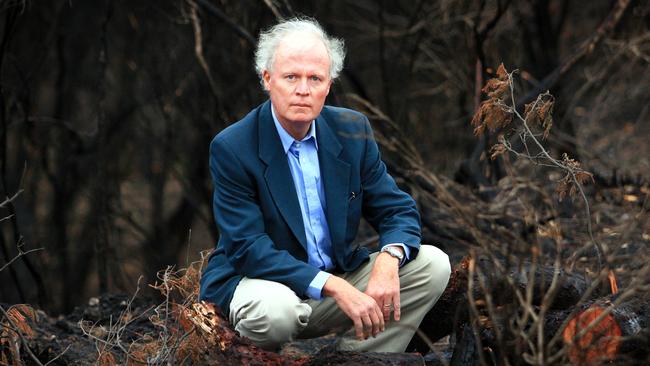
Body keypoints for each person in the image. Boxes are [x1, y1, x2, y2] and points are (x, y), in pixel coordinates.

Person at [199, 17, 450, 353]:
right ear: (268, 79)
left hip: (336, 281)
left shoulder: (352, 130)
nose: (303, 89)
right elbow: (248, 248)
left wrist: (389, 261)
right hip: (263, 286)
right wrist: (335, 287)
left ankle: (362, 360)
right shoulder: (233, 147)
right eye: (291, 77)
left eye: (315, 78)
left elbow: (397, 209)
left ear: (328, 85)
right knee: (275, 314)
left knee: (432, 265)